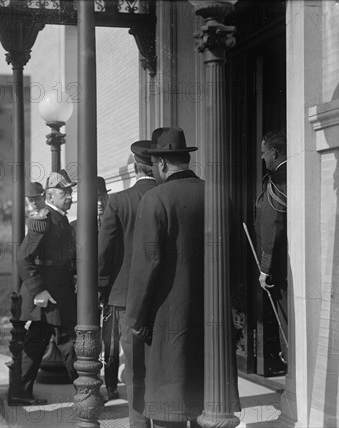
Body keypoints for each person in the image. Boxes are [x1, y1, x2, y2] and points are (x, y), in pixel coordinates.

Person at [126, 127, 239, 427]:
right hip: (212, 327)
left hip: (168, 323)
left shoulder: (156, 199)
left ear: (160, 164)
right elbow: (237, 259)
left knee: (170, 412)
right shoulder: (217, 195)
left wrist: (136, 319)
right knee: (209, 406)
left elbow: (145, 267)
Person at [97, 141, 156, 423]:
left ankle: (139, 423)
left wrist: (103, 289)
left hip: (124, 298)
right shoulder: (166, 195)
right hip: (164, 296)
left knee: (134, 368)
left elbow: (104, 254)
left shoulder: (118, 202)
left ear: (134, 166)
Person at [11, 170, 78, 406]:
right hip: (48, 294)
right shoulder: (44, 219)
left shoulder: (60, 219)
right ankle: (86, 391)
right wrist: (39, 290)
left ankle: (19, 392)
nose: (70, 196)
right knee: (68, 339)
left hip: (57, 291)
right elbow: (24, 258)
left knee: (38, 341)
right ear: (50, 195)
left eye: (70, 191)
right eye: (64, 192)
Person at [255, 130, 288, 363]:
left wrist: (265, 270)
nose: (262, 158)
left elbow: (272, 227)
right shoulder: (295, 172)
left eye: (264, 153)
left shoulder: (276, 181)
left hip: (281, 267)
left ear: (274, 153)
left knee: (286, 318)